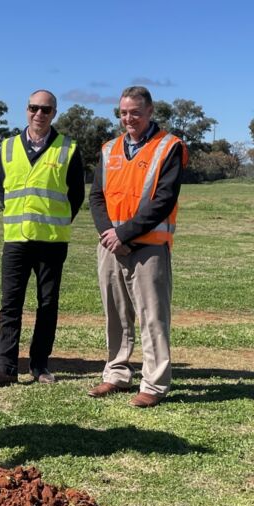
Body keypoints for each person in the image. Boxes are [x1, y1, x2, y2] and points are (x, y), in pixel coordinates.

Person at [0, 89, 84, 387]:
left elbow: (76, 195)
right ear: (26, 110)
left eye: (46, 110)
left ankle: (39, 365)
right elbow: (3, 192)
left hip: (52, 241)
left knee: (47, 304)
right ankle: (5, 367)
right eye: (34, 108)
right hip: (16, 240)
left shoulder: (68, 148)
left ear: (54, 114)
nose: (39, 114)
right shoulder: (8, 148)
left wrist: (55, 221)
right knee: (10, 304)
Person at [88, 86, 187, 407]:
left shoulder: (168, 147)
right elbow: (96, 197)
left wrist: (125, 235)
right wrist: (109, 235)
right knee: (115, 315)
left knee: (153, 316)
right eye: (123, 112)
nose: (128, 118)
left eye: (135, 112)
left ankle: (154, 384)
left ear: (150, 112)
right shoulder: (109, 149)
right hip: (110, 246)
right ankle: (115, 373)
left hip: (149, 246)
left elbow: (163, 200)